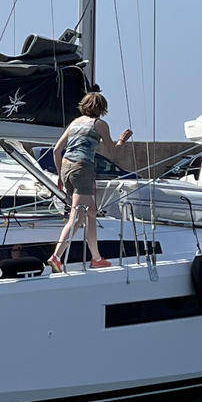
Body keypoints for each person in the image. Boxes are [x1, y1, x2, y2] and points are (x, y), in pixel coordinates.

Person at [48, 91, 119, 272]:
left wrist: (60, 176)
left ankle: (96, 258)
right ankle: (56, 257)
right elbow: (112, 151)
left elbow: (56, 150)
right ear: (102, 109)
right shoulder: (99, 124)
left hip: (66, 169)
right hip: (82, 169)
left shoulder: (74, 123)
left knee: (90, 213)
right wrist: (121, 141)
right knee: (77, 216)